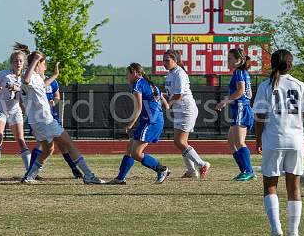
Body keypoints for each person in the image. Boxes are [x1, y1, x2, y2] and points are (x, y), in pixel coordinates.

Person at [20, 48, 104, 184]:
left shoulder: (35, 79)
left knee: (48, 150)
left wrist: (55, 75)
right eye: (43, 64)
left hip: (36, 122)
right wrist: (36, 59)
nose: (44, 67)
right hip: (45, 120)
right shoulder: (31, 77)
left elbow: (41, 85)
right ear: (37, 64)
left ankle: (29, 177)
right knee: (70, 145)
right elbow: (27, 80)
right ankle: (88, 175)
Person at [253, 49, 304, 236]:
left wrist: (258, 139)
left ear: (272, 64)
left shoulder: (265, 86)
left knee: (270, 184)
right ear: (290, 64)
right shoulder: (300, 85)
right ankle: (293, 233)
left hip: (273, 140)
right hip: (295, 140)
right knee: (294, 187)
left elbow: (260, 117)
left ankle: (276, 228)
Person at [107, 63, 171, 185]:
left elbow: (139, 107)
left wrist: (130, 124)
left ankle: (161, 169)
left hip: (150, 121)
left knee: (136, 153)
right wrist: (166, 104)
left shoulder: (137, 84)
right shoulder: (150, 83)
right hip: (153, 120)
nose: (126, 77)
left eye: (127, 74)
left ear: (135, 73)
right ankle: (120, 178)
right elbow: (160, 95)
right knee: (130, 147)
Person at [163, 49, 210, 179]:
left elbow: (178, 95)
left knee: (179, 141)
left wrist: (167, 104)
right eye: (163, 60)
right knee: (180, 142)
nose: (164, 63)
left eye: (167, 60)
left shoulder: (179, 74)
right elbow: (171, 94)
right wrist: (160, 96)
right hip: (180, 110)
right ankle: (191, 171)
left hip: (186, 109)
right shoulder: (170, 74)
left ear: (175, 60)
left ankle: (202, 164)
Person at [0, 48, 30, 176]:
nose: (18, 63)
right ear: (11, 63)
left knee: (21, 140)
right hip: (1, 108)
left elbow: (27, 91)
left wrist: (17, 88)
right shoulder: (4, 74)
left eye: (20, 61)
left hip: (15, 110)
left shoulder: (26, 77)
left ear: (24, 63)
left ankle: (29, 170)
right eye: (15, 61)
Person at [215, 48, 255, 181]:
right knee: (231, 142)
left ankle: (249, 171)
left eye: (231, 58)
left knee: (239, 142)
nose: (228, 61)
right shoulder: (242, 72)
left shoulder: (239, 72)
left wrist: (225, 101)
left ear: (239, 60)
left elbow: (240, 91)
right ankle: (245, 170)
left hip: (241, 108)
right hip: (240, 108)